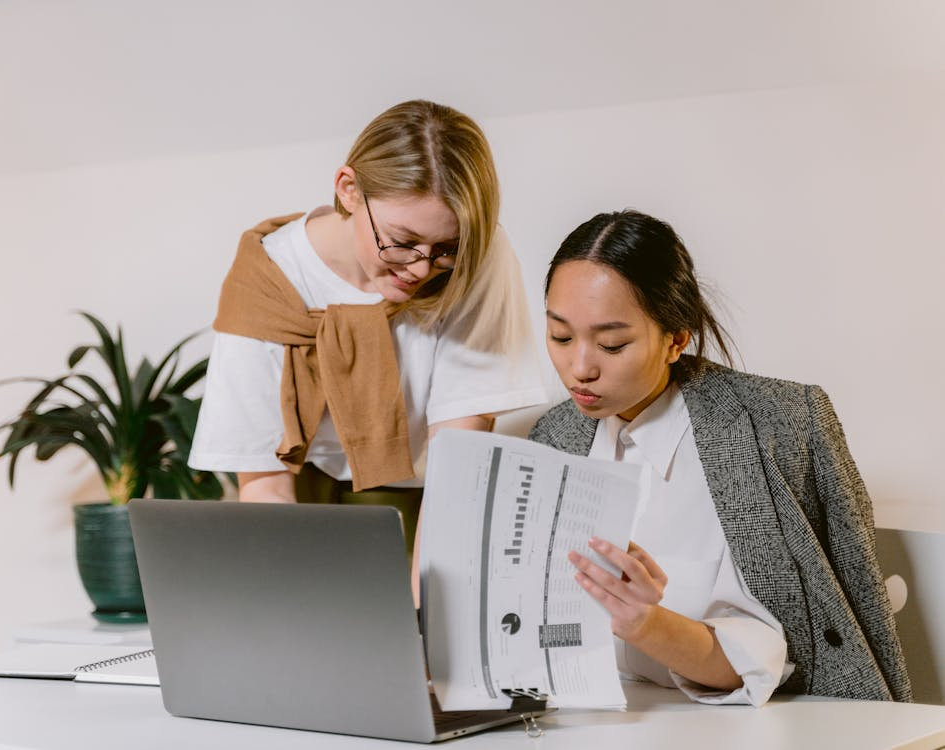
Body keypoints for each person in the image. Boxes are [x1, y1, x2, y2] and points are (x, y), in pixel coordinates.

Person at [528, 209, 910, 705]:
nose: (579, 367)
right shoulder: (552, 438)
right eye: (560, 336)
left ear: (675, 339)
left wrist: (647, 624)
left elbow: (789, 643)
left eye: (611, 343)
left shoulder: (778, 425)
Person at [191, 100, 546, 559]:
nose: (421, 268)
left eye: (445, 248)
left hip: (426, 497)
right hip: (297, 493)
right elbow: (265, 487)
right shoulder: (267, 279)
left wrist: (425, 621)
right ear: (349, 190)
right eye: (401, 243)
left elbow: (455, 472)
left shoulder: (477, 258)